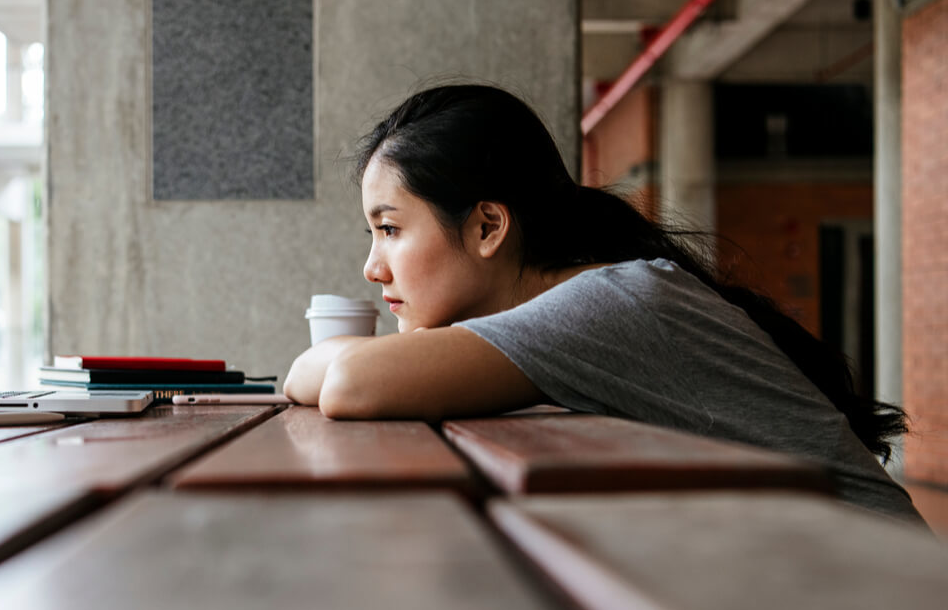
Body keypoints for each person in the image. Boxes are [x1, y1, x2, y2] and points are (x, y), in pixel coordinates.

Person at [284, 83, 924, 525]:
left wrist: (337, 358)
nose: (373, 266)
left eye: (390, 229)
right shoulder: (595, 299)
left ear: (487, 227)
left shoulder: (606, 303)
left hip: (883, 603)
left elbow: (346, 382)